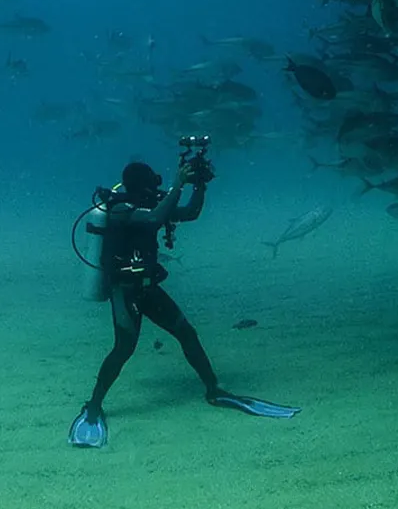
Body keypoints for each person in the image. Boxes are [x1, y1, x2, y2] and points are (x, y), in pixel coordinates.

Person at [69, 147, 299, 447]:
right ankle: (94, 405)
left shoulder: (150, 202)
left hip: (148, 287)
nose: (156, 184)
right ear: (140, 184)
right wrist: (178, 184)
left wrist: (199, 186)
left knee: (186, 333)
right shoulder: (120, 209)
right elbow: (152, 220)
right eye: (152, 181)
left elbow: (189, 212)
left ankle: (214, 389)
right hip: (125, 290)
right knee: (124, 349)